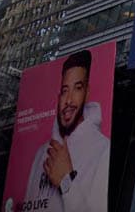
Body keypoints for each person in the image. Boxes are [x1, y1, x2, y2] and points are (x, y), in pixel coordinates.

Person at [24, 50, 109, 211]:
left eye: (77, 88)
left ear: (86, 93)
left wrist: (66, 181)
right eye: (64, 91)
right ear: (58, 97)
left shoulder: (103, 150)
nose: (69, 100)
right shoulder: (41, 153)